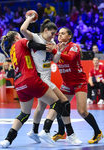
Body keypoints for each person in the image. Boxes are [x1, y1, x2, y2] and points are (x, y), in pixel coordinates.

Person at [0, 31, 81, 148]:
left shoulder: (12, 50)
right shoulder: (21, 42)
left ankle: (8, 139)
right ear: (17, 37)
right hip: (31, 79)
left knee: (24, 113)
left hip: (19, 83)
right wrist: (49, 48)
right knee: (58, 102)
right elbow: (33, 44)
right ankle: (46, 130)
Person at [20, 17, 82, 145]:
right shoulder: (36, 37)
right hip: (42, 79)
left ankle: (34, 131)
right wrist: (30, 18)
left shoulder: (52, 42)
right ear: (45, 30)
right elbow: (22, 29)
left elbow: (55, 59)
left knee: (41, 106)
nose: (54, 36)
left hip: (45, 78)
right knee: (63, 102)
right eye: (52, 33)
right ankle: (59, 132)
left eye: (56, 34)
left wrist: (57, 50)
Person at [46, 27, 104, 144]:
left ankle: (98, 132)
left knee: (82, 111)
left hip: (79, 82)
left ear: (69, 36)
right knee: (60, 106)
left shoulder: (74, 46)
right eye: (59, 34)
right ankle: (62, 132)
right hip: (67, 83)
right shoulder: (56, 47)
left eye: (63, 33)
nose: (60, 35)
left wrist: (55, 51)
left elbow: (70, 58)